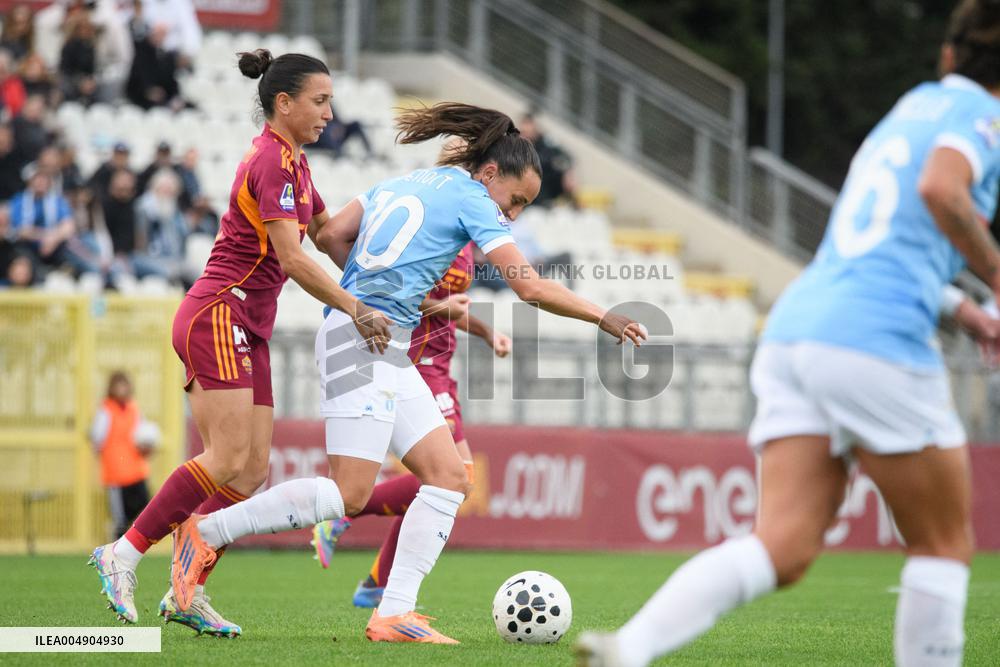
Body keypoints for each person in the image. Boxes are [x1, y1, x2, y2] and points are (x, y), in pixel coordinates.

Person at [574, 2, 1000, 665]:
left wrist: (959, 306)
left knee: (783, 544)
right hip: (875, 338)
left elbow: (880, 234)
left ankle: (631, 646)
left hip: (798, 328)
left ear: (948, 56)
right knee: (942, 544)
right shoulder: (980, 118)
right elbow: (942, 190)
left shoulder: (914, 106)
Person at [177, 101, 646, 644]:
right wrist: (602, 315)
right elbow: (530, 286)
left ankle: (394, 612)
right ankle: (206, 531)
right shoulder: (473, 197)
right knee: (350, 494)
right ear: (490, 173)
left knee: (450, 476)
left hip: (381, 341)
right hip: (361, 341)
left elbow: (330, 238)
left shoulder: (408, 180)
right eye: (515, 201)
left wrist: (380, 285)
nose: (511, 215)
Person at [88, 48, 392, 635]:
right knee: (225, 457)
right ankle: (123, 552)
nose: (330, 112)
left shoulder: (297, 164)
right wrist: (355, 307)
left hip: (248, 325)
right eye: (320, 101)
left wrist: (388, 287)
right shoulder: (272, 163)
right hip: (218, 312)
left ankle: (186, 588)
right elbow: (293, 258)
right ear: (284, 103)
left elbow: (328, 235)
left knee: (249, 475)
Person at [312, 241, 513, 608]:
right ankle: (340, 511)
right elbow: (399, 295)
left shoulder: (466, 241)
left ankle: (376, 582)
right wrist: (442, 307)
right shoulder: (434, 231)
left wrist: (486, 333)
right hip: (416, 362)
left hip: (442, 364)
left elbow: (452, 309)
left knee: (443, 484)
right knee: (455, 477)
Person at [89, 371, 159, 540]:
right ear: (112, 388)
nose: (122, 389)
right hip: (117, 474)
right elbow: (96, 437)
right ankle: (115, 550)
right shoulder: (106, 410)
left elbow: (142, 434)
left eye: (124, 385)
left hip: (137, 471)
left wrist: (147, 446)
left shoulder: (134, 408)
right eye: (118, 385)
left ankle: (129, 542)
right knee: (120, 519)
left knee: (145, 507)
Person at [519, 110, 577, 208]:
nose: (525, 129)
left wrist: (568, 173)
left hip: (544, 193)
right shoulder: (517, 144)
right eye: (524, 125)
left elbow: (566, 158)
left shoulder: (547, 143)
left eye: (528, 124)